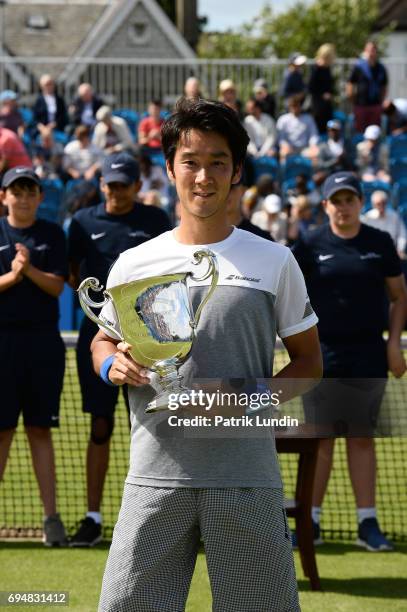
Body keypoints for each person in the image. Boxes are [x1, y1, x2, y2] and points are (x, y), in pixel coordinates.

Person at [93, 98, 322, 611]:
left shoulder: (274, 260)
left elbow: (310, 363)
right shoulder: (134, 263)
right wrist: (111, 364)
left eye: (218, 161)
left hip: (247, 477)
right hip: (154, 475)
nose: (203, 176)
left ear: (237, 171)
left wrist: (248, 399)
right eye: (190, 161)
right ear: (170, 167)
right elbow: (102, 340)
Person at [293, 171, 407, 551]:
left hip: (369, 352)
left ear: (361, 202)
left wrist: (394, 345)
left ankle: (366, 523)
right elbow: (292, 300)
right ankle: (311, 522)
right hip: (322, 353)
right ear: (325, 205)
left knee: (361, 438)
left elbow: (399, 296)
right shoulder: (307, 245)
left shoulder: (380, 243)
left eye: (349, 199)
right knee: (319, 438)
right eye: (335, 200)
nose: (343, 207)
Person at [67, 152, 171, 547]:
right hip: (96, 334)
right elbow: (75, 277)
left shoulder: (155, 220)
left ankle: (150, 516)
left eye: (124, 183)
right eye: (110, 183)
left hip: (152, 335)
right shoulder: (82, 222)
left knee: (150, 426)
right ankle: (93, 517)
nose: (116, 190)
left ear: (137, 186)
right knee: (100, 425)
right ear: (101, 185)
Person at [0, 167, 68, 546]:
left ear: (40, 197)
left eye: (30, 191)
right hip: (3, 343)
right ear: (4, 196)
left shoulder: (52, 234)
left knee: (40, 430)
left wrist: (29, 270)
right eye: (16, 191)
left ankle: (51, 519)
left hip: (43, 345)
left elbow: (57, 286)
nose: (23, 198)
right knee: (2, 432)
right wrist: (14, 275)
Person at [347, 41, 388, 133]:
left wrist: (380, 101)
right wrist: (352, 99)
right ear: (365, 51)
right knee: (360, 132)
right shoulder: (359, 67)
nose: (371, 53)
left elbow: (384, 86)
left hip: (375, 105)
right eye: (368, 50)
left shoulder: (381, 68)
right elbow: (350, 84)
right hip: (361, 105)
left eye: (373, 50)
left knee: (374, 132)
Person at [362, 190, 407, 259]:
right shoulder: (368, 218)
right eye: (378, 204)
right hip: (373, 253)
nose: (381, 206)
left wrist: (400, 249)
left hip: (392, 252)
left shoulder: (394, 216)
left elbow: (402, 235)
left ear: (386, 203)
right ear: (373, 204)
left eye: (383, 203)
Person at [276, 94, 319, 160]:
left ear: (300, 106)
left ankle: (314, 170)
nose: (295, 108)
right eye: (293, 106)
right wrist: (285, 146)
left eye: (296, 106)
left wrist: (313, 145)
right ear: (289, 107)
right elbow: (281, 138)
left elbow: (313, 135)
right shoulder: (283, 119)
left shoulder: (308, 118)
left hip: (305, 148)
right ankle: (283, 170)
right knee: (283, 153)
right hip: (289, 148)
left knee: (315, 153)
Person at [308, 44, 335, 134]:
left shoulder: (327, 68)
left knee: (328, 127)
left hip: (327, 104)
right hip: (318, 105)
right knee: (319, 127)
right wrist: (322, 94)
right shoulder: (316, 68)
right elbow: (311, 87)